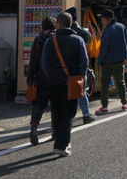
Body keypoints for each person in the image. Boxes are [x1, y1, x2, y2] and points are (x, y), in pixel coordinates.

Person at [41, 12, 88, 157]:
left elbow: (44, 63)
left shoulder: (50, 41)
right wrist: (80, 78)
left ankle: (60, 139)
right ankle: (61, 145)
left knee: (57, 111)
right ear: (71, 23)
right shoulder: (78, 40)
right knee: (69, 112)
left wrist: (51, 76)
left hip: (54, 81)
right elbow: (84, 62)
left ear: (58, 24)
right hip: (72, 81)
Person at [27, 16, 56, 145]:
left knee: (39, 105)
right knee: (55, 106)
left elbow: (32, 61)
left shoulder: (38, 40)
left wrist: (30, 78)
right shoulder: (56, 39)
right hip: (55, 78)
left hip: (40, 78)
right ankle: (55, 131)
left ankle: (33, 127)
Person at [95, 9, 127, 114]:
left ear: (108, 19)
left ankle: (104, 107)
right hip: (119, 60)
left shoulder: (107, 30)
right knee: (120, 82)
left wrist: (99, 62)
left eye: (102, 18)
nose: (101, 20)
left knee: (105, 83)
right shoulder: (122, 27)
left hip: (108, 61)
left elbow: (104, 48)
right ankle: (124, 104)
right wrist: (125, 57)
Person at [65, 7, 95, 124]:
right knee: (81, 92)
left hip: (64, 68)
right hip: (78, 66)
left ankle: (66, 117)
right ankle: (86, 114)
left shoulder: (58, 35)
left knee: (66, 94)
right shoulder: (83, 33)